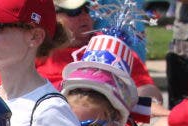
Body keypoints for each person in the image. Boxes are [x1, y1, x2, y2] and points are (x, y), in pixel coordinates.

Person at [36, 0, 166, 117]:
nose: (84, 17)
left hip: (116, 124)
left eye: (87, 9)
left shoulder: (111, 46)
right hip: (57, 122)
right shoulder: (38, 50)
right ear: (54, 16)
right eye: (74, 12)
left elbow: (147, 89)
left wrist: (152, 107)